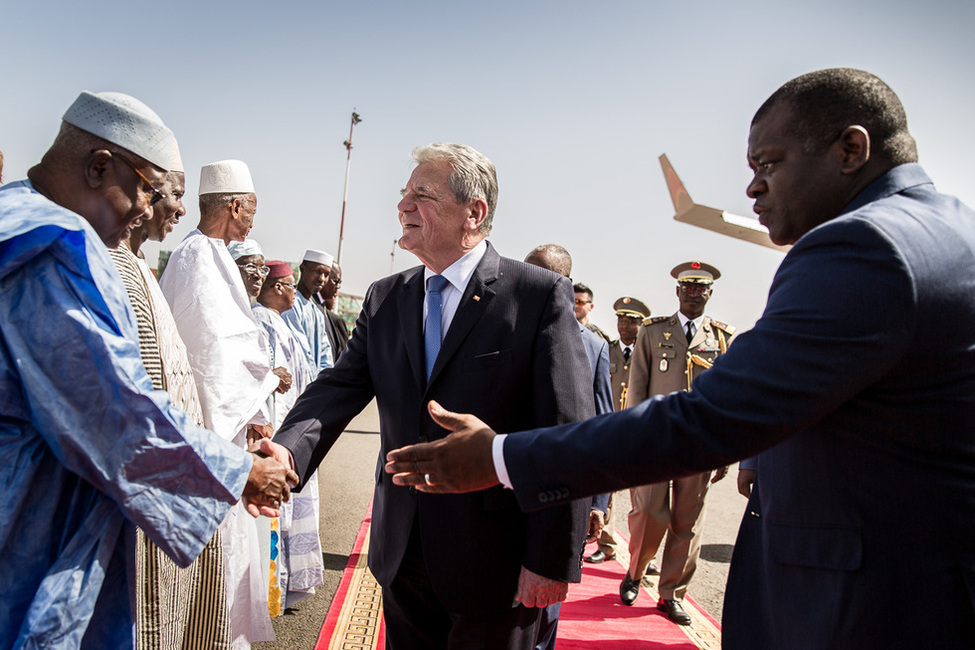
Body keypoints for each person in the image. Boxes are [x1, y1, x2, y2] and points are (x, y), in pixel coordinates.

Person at [385, 68, 975, 648]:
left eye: (768, 164)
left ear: (851, 149)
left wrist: (499, 455)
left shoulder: (867, 247)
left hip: (878, 606)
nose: (752, 189)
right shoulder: (939, 230)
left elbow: (708, 419)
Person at [0, 90, 294, 649]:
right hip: (27, 527)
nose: (149, 209)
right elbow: (109, 412)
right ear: (98, 165)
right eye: (149, 190)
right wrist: (238, 472)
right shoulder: (46, 253)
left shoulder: (24, 220)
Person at [273, 143, 594, 649]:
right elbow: (338, 387)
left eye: (422, 194)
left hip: (497, 562)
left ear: (475, 212)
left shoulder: (536, 296)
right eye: (404, 194)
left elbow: (565, 434)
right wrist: (287, 449)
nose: (403, 206)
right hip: (402, 552)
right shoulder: (386, 296)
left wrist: (550, 559)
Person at [108, 140, 234, 648]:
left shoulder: (139, 265)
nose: (180, 209)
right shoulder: (114, 268)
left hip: (180, 475)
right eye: (172, 195)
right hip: (151, 487)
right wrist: (234, 471)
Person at [158, 159, 283, 645]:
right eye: (251, 209)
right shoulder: (197, 257)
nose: (253, 219)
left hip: (225, 425)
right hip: (212, 432)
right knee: (214, 568)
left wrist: (253, 404)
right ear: (234, 206)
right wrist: (258, 394)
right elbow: (213, 355)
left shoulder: (209, 254)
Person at [620, 262, 734, 623]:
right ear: (678, 292)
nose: (694, 293)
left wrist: (724, 449)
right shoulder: (654, 333)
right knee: (648, 513)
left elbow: (727, 397)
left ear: (709, 293)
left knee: (687, 521)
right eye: (688, 288)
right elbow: (636, 386)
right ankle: (636, 572)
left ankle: (672, 592)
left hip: (699, 444)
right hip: (657, 438)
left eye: (701, 288)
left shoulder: (720, 338)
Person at [524, 243, 612, 650]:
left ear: (562, 284)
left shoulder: (593, 347)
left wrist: (598, 502)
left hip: (563, 495)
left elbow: (600, 429)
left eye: (537, 274)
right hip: (505, 488)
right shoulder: (497, 324)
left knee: (546, 609)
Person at [251, 261, 324, 613]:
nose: (295, 291)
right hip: (279, 427)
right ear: (278, 287)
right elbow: (272, 379)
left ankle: (285, 586)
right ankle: (270, 592)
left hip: (293, 425)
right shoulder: (262, 319)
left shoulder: (277, 321)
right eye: (291, 285)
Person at [585, 296, 650, 566]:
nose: (625, 325)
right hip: (609, 429)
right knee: (605, 491)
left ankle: (643, 552)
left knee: (643, 499)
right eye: (621, 320)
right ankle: (607, 543)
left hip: (637, 430)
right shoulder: (606, 349)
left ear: (640, 324)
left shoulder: (649, 350)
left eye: (631, 321)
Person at [283, 249, 334, 372]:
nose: (322, 279)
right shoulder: (290, 304)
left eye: (326, 275)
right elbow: (301, 353)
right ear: (303, 268)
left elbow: (325, 356)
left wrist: (323, 382)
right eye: (317, 272)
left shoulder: (316, 312)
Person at [315, 260, 350, 361]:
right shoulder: (313, 308)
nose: (338, 286)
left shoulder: (327, 314)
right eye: (335, 280)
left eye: (339, 282)